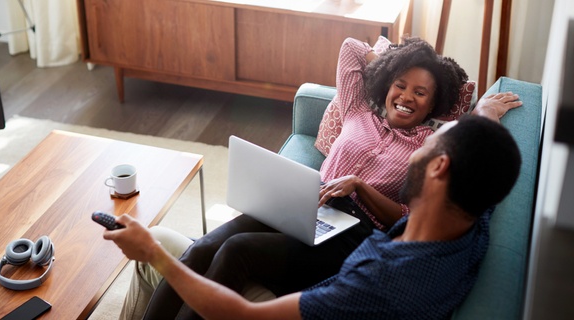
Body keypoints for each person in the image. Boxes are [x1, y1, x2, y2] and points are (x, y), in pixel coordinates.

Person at [118, 37, 523, 319]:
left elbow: (410, 205)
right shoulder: (359, 112)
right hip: (309, 202)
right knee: (204, 246)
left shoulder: (430, 149)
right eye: (400, 85)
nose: (407, 96)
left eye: (422, 93)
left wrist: (360, 185)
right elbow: (351, 49)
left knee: (237, 249)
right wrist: (397, 62)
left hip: (354, 228)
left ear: (436, 106)